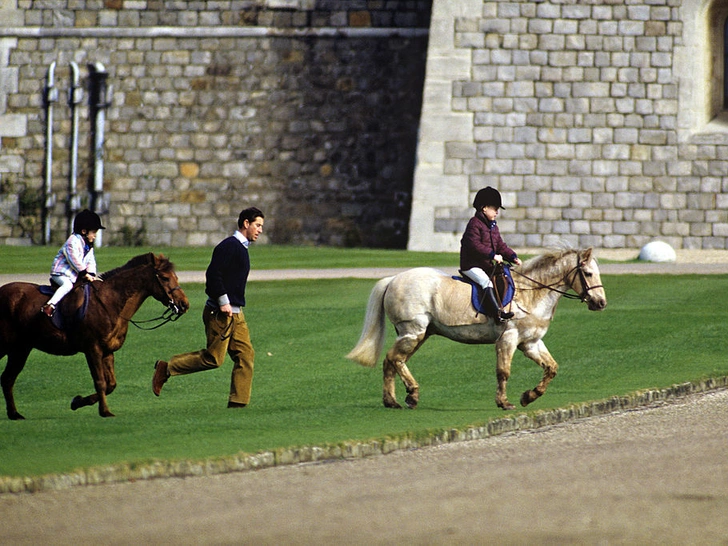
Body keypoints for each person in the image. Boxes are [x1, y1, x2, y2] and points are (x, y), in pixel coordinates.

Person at [152, 207, 265, 408]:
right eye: (258, 225)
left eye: (261, 226)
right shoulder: (229, 246)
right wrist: (224, 302)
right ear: (246, 223)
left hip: (236, 314)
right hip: (220, 313)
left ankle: (238, 405)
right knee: (213, 359)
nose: (260, 230)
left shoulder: (241, 248)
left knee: (245, 355)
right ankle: (167, 368)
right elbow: (213, 276)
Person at [460, 186, 522, 322]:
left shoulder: (492, 226)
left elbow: (500, 245)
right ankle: (497, 315)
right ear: (484, 208)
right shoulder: (474, 224)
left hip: (484, 264)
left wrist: (513, 256)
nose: (497, 213)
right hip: (471, 265)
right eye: (495, 209)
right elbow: (474, 245)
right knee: (486, 282)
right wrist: (492, 255)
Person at [41, 209, 105, 318]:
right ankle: (50, 305)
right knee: (67, 285)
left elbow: (91, 261)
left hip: (74, 275)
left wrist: (92, 274)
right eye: (93, 232)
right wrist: (85, 273)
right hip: (61, 273)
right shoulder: (72, 241)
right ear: (84, 231)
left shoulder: (88, 246)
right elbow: (74, 259)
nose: (95, 236)